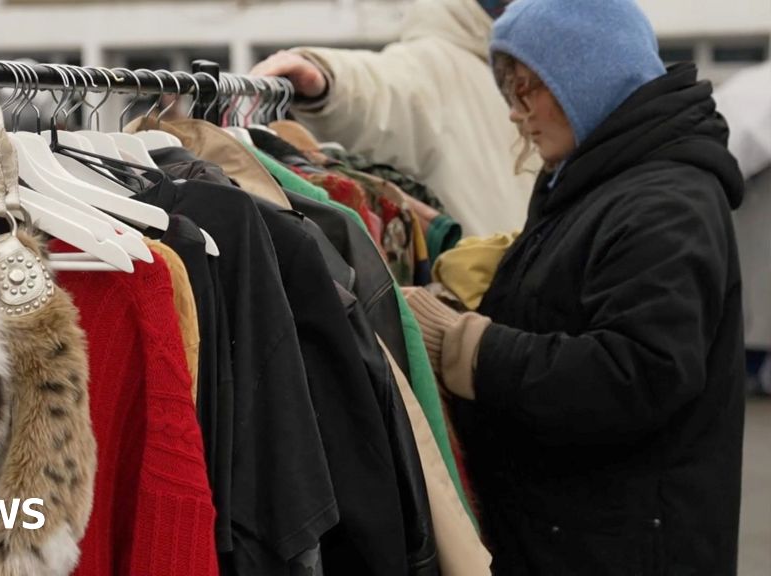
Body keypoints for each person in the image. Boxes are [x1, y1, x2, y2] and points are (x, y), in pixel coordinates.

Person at [404, 0, 746, 573]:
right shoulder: (596, 179)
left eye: (526, 88)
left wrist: (468, 345)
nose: (515, 114)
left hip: (625, 550)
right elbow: (572, 296)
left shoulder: (666, 204)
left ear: (585, 77)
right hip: (579, 536)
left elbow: (636, 375)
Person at [250, 0, 534, 238]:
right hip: (485, 293)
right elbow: (385, 89)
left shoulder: (545, 59)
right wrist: (328, 80)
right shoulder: (440, 64)